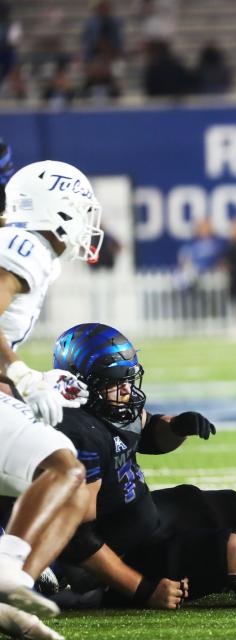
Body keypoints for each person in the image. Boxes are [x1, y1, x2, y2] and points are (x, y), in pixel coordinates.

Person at [42, 323, 236, 610]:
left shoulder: (107, 410)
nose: (127, 391)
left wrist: (177, 427)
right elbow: (78, 540)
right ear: (82, 387)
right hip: (112, 565)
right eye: (115, 384)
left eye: (127, 380)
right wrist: (142, 589)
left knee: (233, 505)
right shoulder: (77, 436)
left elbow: (148, 433)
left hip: (140, 522)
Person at [0, 160, 104, 635]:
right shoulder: (26, 246)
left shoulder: (23, 246)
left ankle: (14, 585)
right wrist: (22, 375)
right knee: (64, 467)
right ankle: (8, 569)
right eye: (81, 209)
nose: (86, 221)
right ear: (57, 207)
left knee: (73, 492)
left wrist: (29, 378)